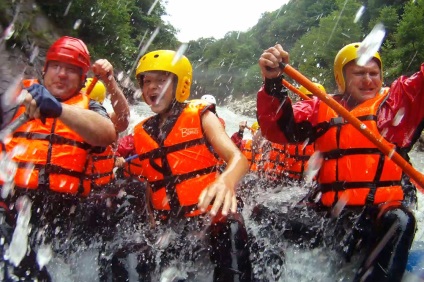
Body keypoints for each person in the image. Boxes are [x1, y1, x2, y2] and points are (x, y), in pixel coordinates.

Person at [255, 42, 420, 281]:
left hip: (375, 218)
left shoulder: (395, 104)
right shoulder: (319, 107)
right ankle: (271, 273)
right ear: (341, 79)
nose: (368, 79)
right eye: (359, 73)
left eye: (374, 73)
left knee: (402, 220)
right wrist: (272, 83)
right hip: (331, 219)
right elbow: (278, 128)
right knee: (263, 213)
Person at [114, 49, 252, 281]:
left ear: (181, 85)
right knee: (125, 255)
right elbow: (151, 183)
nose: (152, 87)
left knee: (232, 229)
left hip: (212, 221)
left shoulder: (201, 116)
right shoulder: (141, 132)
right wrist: (151, 221)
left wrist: (226, 180)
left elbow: (239, 159)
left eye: (161, 80)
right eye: (147, 81)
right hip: (173, 226)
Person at [0, 36, 118, 280]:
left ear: (82, 78)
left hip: (61, 221)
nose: (62, 74)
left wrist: (57, 108)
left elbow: (107, 133)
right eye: (56, 66)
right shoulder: (15, 100)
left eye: (71, 70)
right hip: (12, 216)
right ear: (44, 69)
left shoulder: (91, 109)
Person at [282, 83, 325, 182]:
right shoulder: (292, 121)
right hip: (290, 180)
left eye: (314, 98)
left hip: (313, 182)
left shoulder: (329, 124)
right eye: (308, 98)